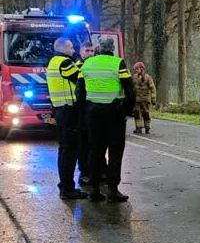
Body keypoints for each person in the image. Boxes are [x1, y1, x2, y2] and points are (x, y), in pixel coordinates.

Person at [75, 38, 135, 203]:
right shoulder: (118, 63)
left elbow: (79, 91)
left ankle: (94, 189)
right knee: (115, 151)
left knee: (95, 151)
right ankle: (112, 189)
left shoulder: (86, 64)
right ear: (113, 48)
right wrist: (126, 111)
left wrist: (85, 111)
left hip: (93, 114)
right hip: (114, 113)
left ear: (98, 48)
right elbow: (130, 89)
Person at [46, 37, 87, 200]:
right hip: (69, 111)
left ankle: (65, 184)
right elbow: (81, 80)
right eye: (70, 47)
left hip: (60, 110)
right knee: (70, 151)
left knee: (64, 150)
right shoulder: (65, 63)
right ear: (63, 48)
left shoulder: (53, 62)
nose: (73, 50)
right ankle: (67, 188)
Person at [75, 41, 97, 186]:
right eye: (87, 51)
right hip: (81, 111)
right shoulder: (77, 67)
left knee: (95, 143)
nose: (90, 54)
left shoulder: (95, 66)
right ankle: (84, 171)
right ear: (81, 51)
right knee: (83, 144)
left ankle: (97, 171)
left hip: (93, 111)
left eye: (92, 51)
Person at [132, 62, 156, 134]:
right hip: (137, 100)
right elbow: (131, 88)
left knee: (146, 113)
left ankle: (147, 127)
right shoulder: (134, 77)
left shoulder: (148, 78)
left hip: (145, 100)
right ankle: (138, 128)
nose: (136, 70)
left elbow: (153, 89)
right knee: (136, 113)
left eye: (137, 69)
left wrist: (153, 99)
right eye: (135, 69)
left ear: (142, 69)